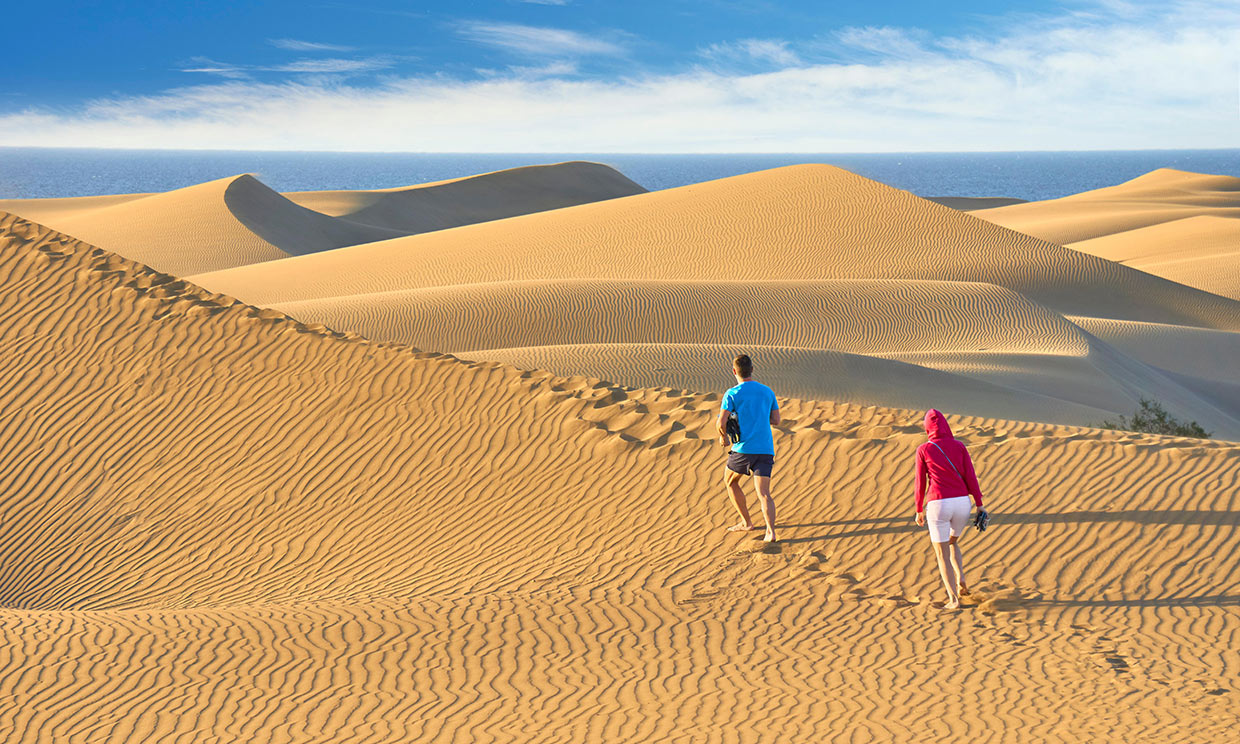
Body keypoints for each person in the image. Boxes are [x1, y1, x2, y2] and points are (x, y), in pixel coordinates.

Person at [914, 409, 987, 609]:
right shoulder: (960, 446)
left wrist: (919, 509)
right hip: (962, 503)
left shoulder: (923, 449)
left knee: (941, 553)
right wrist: (979, 503)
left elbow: (920, 482)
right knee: (953, 542)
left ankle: (954, 599)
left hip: (938, 504)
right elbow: (971, 476)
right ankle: (961, 579)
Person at [717, 354, 780, 543]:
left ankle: (747, 522)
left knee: (731, 482)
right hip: (765, 449)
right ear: (752, 369)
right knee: (764, 494)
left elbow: (721, 421)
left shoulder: (732, 393)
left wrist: (723, 437)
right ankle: (771, 532)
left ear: (734, 371)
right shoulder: (767, 391)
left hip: (743, 449)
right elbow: (776, 420)